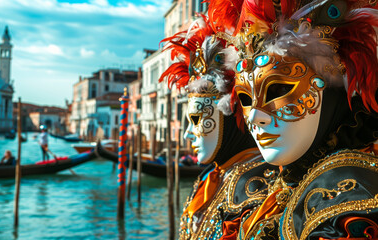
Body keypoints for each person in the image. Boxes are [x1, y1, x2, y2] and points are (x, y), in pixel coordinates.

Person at [212, 0, 378, 238]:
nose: (256, 117)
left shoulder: (349, 202)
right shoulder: (275, 183)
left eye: (278, 90)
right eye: (246, 99)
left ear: (331, 89)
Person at [159, 15, 280, 240]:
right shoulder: (211, 178)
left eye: (196, 119)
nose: (187, 133)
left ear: (230, 116)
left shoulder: (261, 186)